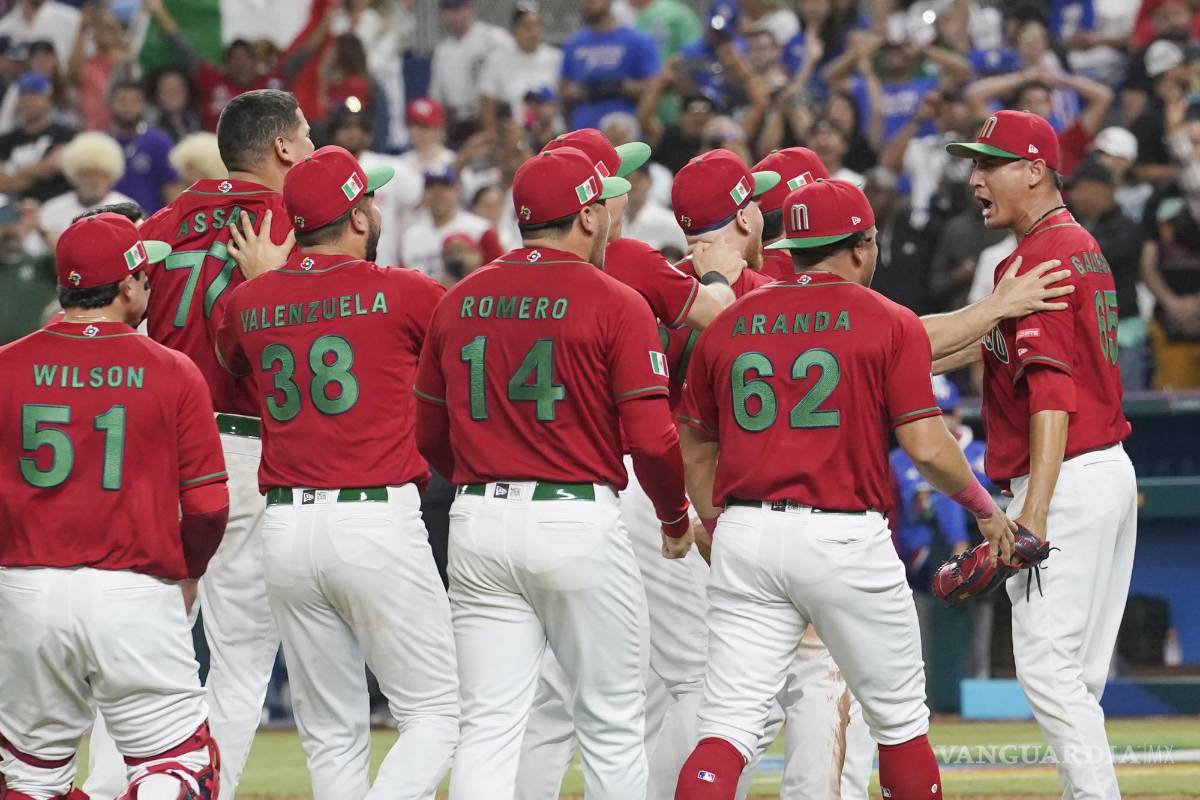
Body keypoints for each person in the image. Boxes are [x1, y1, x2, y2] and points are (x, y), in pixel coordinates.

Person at [673, 178, 1015, 800]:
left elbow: (694, 446)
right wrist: (985, 510)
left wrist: (718, 525)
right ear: (861, 247)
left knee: (726, 728)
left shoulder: (728, 321)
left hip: (747, 532)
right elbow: (927, 447)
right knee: (901, 724)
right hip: (843, 534)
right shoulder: (887, 318)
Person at [414, 145, 693, 799]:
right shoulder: (614, 299)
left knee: (487, 725)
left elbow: (429, 434)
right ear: (588, 216)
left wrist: (480, 479)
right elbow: (654, 440)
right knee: (611, 722)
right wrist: (676, 517)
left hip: (479, 518)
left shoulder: (459, 299)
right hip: (574, 515)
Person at [215, 145, 458, 799]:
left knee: (330, 734)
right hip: (374, 518)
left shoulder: (249, 301)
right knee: (438, 714)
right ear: (356, 217)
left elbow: (233, 353)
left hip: (286, 530)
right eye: (369, 201)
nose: (376, 210)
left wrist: (269, 281)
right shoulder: (405, 290)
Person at [0, 212, 228, 799]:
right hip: (133, 589)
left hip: (25, 592)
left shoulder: (5, 366)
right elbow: (207, 508)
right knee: (178, 767)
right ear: (127, 286)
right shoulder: (173, 370)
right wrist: (188, 571)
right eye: (145, 276)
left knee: (29, 777)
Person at [945, 109, 1137, 797]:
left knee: (1050, 670)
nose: (975, 180)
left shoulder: (1037, 259)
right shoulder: (1077, 243)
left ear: (1034, 170)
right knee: (1075, 677)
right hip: (1102, 470)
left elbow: (1051, 393)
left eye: (989, 165)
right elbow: (976, 345)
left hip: (1066, 475)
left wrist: (1036, 508)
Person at [137, 88, 312, 800]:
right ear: (282, 147)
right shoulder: (294, 221)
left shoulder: (163, 221)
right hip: (243, 447)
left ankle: (122, 783)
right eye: (306, 134)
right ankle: (202, 789)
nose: (311, 145)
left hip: (157, 447)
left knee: (144, 648)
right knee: (240, 657)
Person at [1066, 158, 1148, 390]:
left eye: (1078, 188)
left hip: (1122, 335)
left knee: (1126, 404)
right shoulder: (1082, 226)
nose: (1073, 196)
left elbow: (1089, 264)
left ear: (1099, 187)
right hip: (1088, 336)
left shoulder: (1125, 227)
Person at [327, 106, 422, 268]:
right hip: (341, 263)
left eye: (358, 127)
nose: (352, 133)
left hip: (386, 260)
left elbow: (419, 202)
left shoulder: (390, 168)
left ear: (368, 133)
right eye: (345, 127)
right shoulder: (325, 173)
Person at [561, 0, 661, 131]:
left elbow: (655, 87)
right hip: (584, 128)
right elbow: (563, 89)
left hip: (625, 127)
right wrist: (579, 91)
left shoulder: (636, 40)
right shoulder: (574, 44)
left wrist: (624, 87)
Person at [429, 0, 513, 144]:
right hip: (460, 123)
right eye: (449, 10)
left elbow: (514, 78)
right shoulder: (442, 51)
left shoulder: (494, 38)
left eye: (459, 9)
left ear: (471, 9)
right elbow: (438, 99)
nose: (455, 16)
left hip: (496, 118)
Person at [37, 131, 133, 248]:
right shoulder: (51, 210)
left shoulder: (127, 210)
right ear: (73, 175)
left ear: (110, 176)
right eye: (85, 174)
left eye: (100, 174)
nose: (92, 181)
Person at [479, 3, 562, 135]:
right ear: (514, 30)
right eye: (527, 27)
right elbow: (487, 99)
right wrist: (492, 134)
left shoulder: (556, 58)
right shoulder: (498, 61)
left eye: (537, 26)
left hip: (553, 134)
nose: (534, 33)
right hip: (516, 136)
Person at [401, 165, 490, 282]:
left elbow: (499, 274)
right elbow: (404, 281)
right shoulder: (410, 236)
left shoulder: (480, 229)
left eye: (444, 187)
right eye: (431, 187)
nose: (437, 194)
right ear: (423, 193)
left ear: (456, 190)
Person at [109, 78, 182, 214]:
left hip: (149, 221)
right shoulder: (102, 143)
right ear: (111, 103)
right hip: (108, 221)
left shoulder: (159, 142)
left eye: (135, 101)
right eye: (122, 101)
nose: (128, 107)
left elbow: (172, 189)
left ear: (143, 104)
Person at [0, 71, 76, 202]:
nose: (27, 101)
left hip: (55, 204)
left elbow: (54, 165)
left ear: (49, 100)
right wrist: (38, 172)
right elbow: (2, 183)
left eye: (34, 96)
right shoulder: (5, 140)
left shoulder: (66, 134)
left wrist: (10, 170)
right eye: (23, 95)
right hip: (13, 206)